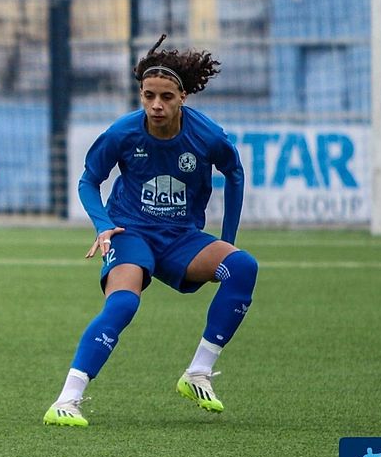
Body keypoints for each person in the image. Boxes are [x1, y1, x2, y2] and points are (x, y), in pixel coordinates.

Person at [43, 34, 258, 427]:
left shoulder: (207, 135)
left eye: (166, 97)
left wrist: (228, 238)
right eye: (148, 96)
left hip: (181, 239)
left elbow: (235, 172)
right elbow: (89, 181)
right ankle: (67, 400)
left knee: (243, 267)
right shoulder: (123, 133)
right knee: (123, 304)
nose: (156, 105)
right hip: (130, 232)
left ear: (183, 97)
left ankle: (197, 372)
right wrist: (105, 226)